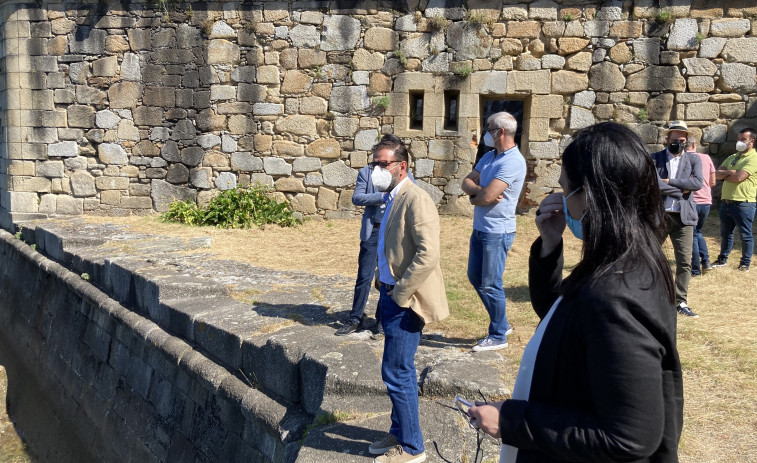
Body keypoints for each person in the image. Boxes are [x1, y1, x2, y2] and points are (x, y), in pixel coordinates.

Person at [468, 122, 683, 463]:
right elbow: (561, 318)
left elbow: (630, 436)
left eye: (565, 188)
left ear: (591, 195)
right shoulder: (623, 258)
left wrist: (512, 421)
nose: (558, 198)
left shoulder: (616, 293)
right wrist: (550, 245)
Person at [367, 136, 448, 463]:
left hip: (405, 300)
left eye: (382, 163)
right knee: (397, 370)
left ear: (402, 166)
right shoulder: (393, 197)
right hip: (389, 295)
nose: (376, 169)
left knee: (397, 371)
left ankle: (413, 447)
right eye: (374, 163)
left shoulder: (416, 198)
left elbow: (428, 254)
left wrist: (400, 293)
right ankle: (399, 432)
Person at [336, 135, 414, 338]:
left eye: (384, 161)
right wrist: (383, 195)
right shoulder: (366, 173)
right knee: (365, 276)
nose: (380, 164)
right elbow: (357, 197)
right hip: (374, 230)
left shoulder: (402, 172)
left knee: (387, 278)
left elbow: (410, 194)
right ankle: (355, 318)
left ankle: (382, 321)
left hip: (393, 231)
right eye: (377, 160)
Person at [461, 112, 527, 351]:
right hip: (480, 228)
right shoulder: (489, 156)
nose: (485, 133)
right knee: (475, 277)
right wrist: (478, 193)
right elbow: (466, 183)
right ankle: (502, 322)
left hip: (497, 232)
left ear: (500, 132)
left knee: (490, 283)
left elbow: (489, 196)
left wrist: (479, 195)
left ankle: (498, 335)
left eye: (488, 129)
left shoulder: (513, 161)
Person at [651, 121, 702, 318]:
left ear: (687, 141)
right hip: (659, 216)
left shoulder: (694, 160)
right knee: (651, 257)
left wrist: (669, 182)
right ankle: (653, 296)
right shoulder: (654, 158)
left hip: (684, 217)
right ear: (667, 139)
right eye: (675, 140)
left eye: (682, 140)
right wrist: (682, 191)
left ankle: (680, 301)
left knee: (684, 262)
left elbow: (697, 183)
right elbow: (653, 184)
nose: (678, 143)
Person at [712, 127, 757, 272]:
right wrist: (731, 171)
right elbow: (717, 175)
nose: (739, 142)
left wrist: (728, 174)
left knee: (745, 235)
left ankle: (745, 263)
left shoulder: (753, 158)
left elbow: (739, 178)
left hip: (744, 203)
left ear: (752, 141)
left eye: (743, 139)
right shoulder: (732, 157)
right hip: (726, 202)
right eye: (738, 139)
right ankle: (722, 259)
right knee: (726, 234)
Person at [687, 136, 717, 276]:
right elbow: (713, 182)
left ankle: (695, 269)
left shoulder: (681, 159)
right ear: (694, 143)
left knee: (692, 235)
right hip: (706, 201)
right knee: (698, 232)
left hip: (692, 202)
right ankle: (706, 262)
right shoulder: (706, 157)